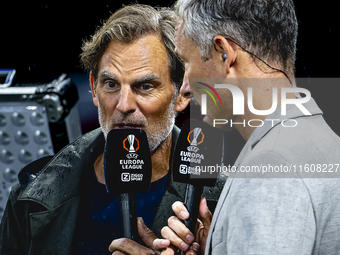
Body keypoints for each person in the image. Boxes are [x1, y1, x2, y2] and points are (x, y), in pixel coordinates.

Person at [0, 4, 225, 255]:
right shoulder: (31, 196)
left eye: (145, 86)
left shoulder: (224, 198)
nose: (124, 105)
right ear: (94, 87)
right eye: (110, 84)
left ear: (182, 95)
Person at [155, 0, 340, 254]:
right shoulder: (321, 138)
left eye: (186, 63)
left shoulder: (269, 168)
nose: (185, 87)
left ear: (224, 53)